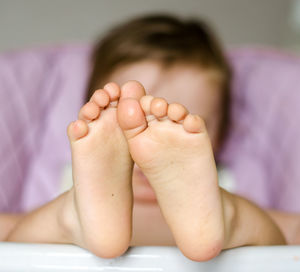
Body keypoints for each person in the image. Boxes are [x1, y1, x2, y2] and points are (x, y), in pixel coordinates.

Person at [1, 15, 286, 261]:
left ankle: (228, 219)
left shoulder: (225, 183)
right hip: (87, 210)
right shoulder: (79, 179)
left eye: (180, 125)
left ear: (221, 136)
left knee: (260, 229)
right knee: (28, 232)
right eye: (128, 120)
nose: (149, 143)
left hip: (213, 216)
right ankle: (72, 219)